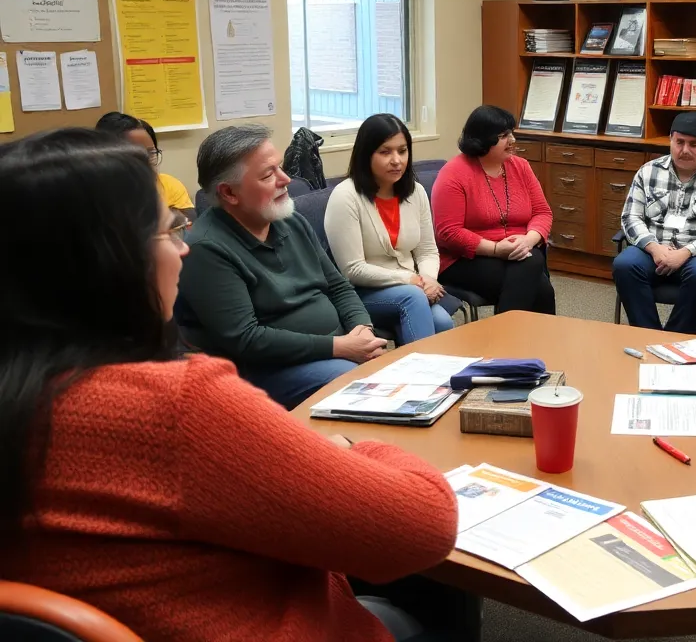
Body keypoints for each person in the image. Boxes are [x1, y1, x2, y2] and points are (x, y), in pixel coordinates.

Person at [0, 128, 459, 642]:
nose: (182, 250)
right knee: (439, 583)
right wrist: (354, 449)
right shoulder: (175, 405)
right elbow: (424, 524)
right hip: (267, 621)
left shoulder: (29, 396)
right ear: (107, 263)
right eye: (168, 231)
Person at [176, 125, 386, 409]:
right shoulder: (206, 249)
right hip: (268, 370)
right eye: (267, 175)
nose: (286, 179)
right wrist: (340, 348)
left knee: (389, 376)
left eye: (281, 168)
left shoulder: (289, 220)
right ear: (229, 193)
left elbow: (337, 285)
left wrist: (362, 328)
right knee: (358, 384)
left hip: (336, 348)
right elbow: (246, 339)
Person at [325, 114, 453, 346]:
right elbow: (352, 269)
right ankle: (427, 378)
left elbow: (427, 251)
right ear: (366, 154)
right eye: (385, 152)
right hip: (360, 293)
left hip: (411, 288)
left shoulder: (415, 192)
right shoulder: (345, 197)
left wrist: (427, 280)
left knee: (442, 322)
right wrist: (410, 280)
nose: (397, 160)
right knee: (414, 301)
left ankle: (408, 373)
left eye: (402, 151)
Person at [614, 112, 696, 334]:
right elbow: (630, 217)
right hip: (653, 250)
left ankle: (676, 339)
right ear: (671, 139)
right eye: (679, 142)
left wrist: (687, 252)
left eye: (694, 144)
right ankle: (647, 336)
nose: (685, 150)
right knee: (625, 264)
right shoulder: (648, 171)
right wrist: (654, 248)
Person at [431, 105, 555, 315]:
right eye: (504, 136)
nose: (513, 140)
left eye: (511, 133)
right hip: (465, 259)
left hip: (519, 254)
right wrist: (496, 250)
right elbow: (448, 233)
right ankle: (512, 344)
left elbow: (542, 212)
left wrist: (528, 240)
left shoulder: (521, 167)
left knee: (534, 271)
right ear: (483, 140)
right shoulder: (453, 174)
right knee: (537, 280)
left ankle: (502, 342)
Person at [95, 110, 195, 219]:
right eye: (136, 156)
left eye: (151, 153)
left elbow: (187, 225)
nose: (147, 163)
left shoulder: (169, 185)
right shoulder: (95, 198)